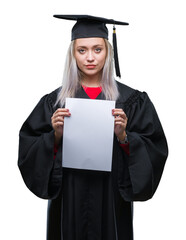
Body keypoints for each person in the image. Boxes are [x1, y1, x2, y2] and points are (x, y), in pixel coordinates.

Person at [18, 15, 168, 240]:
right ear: (72, 54)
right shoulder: (54, 103)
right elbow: (28, 152)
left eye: (97, 49)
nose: (90, 58)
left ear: (108, 52)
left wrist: (125, 137)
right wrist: (55, 136)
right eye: (82, 50)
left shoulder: (131, 101)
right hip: (69, 199)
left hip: (111, 200)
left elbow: (154, 150)